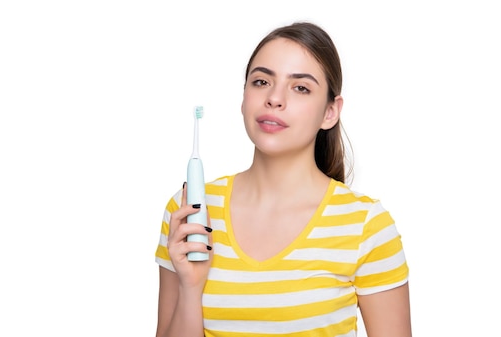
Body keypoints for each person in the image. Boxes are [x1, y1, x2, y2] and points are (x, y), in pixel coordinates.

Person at [154, 21, 411, 337]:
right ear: (244, 96)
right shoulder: (190, 212)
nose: (274, 98)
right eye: (261, 81)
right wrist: (191, 286)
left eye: (300, 87)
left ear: (330, 112)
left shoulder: (366, 225)